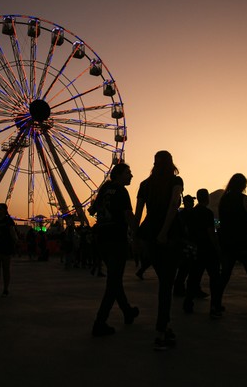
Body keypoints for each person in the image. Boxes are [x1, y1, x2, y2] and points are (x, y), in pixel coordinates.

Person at [134, 150, 183, 350]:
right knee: (166, 284)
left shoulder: (144, 184)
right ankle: (161, 330)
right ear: (171, 163)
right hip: (169, 235)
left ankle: (166, 326)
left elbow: (138, 213)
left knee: (164, 281)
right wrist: (164, 232)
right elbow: (174, 204)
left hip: (148, 234)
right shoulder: (176, 181)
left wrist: (135, 236)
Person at [89, 163, 140, 337]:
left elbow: (92, 209)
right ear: (118, 174)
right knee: (113, 282)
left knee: (114, 278)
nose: (131, 176)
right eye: (128, 173)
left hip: (102, 238)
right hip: (116, 239)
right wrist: (138, 232)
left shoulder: (105, 189)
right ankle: (100, 322)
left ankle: (127, 311)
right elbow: (128, 214)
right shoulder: (122, 191)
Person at [215, 173, 247, 316]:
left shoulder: (223, 200)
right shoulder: (246, 200)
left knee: (224, 275)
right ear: (244, 185)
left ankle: (215, 305)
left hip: (227, 243)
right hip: (244, 243)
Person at [182, 189, 221, 316]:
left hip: (195, 249)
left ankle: (188, 303)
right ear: (207, 198)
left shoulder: (190, 213)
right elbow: (210, 232)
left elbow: (186, 230)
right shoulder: (208, 213)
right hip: (208, 249)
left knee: (193, 277)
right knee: (214, 278)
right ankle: (215, 306)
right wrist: (217, 248)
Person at [0, 203, 18, 297]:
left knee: (5, 268)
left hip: (6, 246)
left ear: (4, 210)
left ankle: (5, 289)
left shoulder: (8, 221)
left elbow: (12, 232)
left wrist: (15, 242)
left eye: (0, 209)